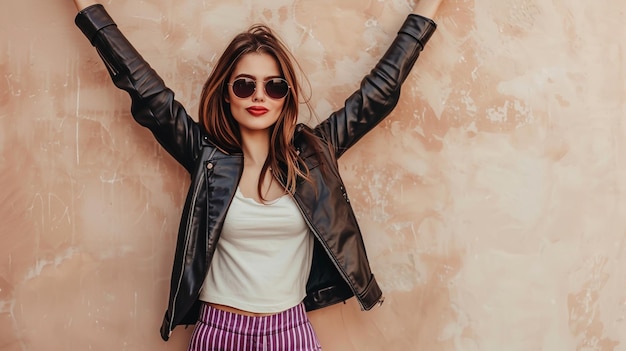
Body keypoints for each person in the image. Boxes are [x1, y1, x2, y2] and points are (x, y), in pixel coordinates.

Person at [72, 0, 442, 349]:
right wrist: (87, 9)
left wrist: (427, 10)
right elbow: (144, 89)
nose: (259, 96)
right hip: (220, 333)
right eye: (245, 85)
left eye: (274, 86)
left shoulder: (314, 153)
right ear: (227, 95)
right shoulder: (205, 155)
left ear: (286, 97)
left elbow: (380, 91)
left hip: (290, 332)